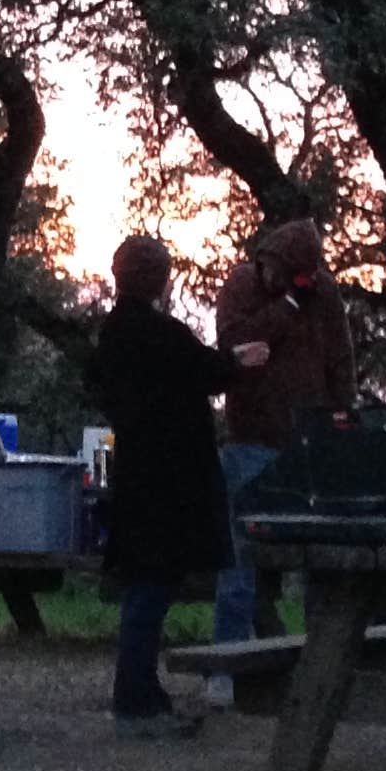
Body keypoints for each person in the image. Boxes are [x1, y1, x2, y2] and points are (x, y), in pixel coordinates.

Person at [89, 234, 268, 738]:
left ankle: (141, 692)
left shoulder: (113, 335)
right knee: (151, 589)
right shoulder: (159, 333)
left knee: (146, 588)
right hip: (167, 482)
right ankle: (136, 702)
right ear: (157, 279)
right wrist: (239, 360)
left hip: (136, 476)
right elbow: (205, 371)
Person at [211, 218, 357, 641]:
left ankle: (322, 656)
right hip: (252, 440)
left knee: (321, 558)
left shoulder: (323, 294)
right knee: (239, 561)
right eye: (290, 276)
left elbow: (341, 359)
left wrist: (343, 418)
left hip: (310, 442)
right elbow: (234, 345)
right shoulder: (242, 286)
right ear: (270, 263)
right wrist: (288, 305)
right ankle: (228, 662)